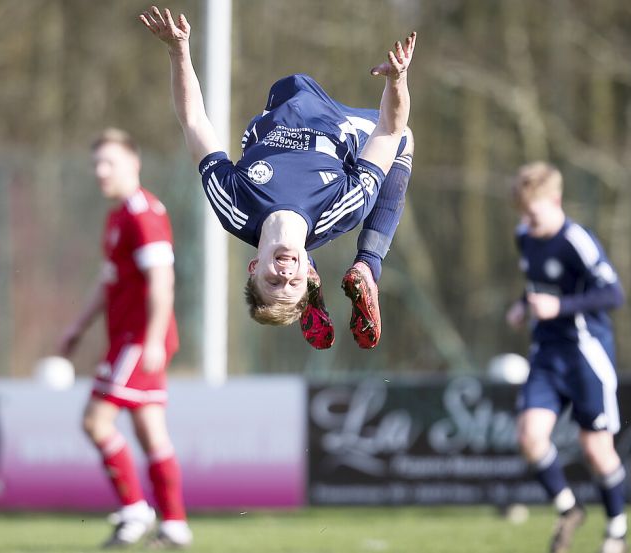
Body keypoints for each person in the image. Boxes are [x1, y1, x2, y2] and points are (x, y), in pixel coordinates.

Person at [140, 6, 416, 350]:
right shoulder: (344, 206)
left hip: (278, 108)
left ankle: (324, 270)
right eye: (293, 284)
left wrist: (178, 50)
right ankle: (368, 265)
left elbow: (194, 121)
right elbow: (389, 131)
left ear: (253, 267)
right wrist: (397, 80)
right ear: (303, 278)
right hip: (332, 123)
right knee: (405, 140)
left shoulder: (233, 205)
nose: (284, 277)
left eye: (273, 282)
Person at [58, 128, 190, 548]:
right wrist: (78, 327)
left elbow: (162, 280)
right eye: (96, 163)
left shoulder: (143, 213)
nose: (100, 171)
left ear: (134, 164)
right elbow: (109, 280)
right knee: (151, 431)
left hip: (140, 339)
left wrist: (152, 339)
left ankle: (134, 511)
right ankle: (174, 525)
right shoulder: (117, 216)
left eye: (108, 162)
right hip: (129, 338)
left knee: (95, 421)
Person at [506, 162, 628, 553]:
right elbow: (538, 287)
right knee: (529, 437)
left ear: (555, 200)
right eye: (522, 213)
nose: (527, 221)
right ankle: (569, 508)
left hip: (585, 354)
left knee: (596, 449)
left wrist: (558, 307)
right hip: (546, 353)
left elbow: (613, 295)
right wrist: (523, 306)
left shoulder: (578, 240)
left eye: (533, 213)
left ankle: (617, 533)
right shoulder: (524, 235)